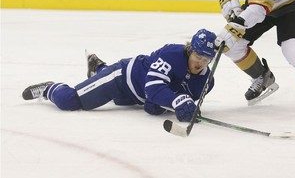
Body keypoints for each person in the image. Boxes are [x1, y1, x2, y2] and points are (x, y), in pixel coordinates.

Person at [21, 29, 217, 123]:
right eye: (197, 56)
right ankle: (49, 88)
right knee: (69, 101)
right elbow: (154, 88)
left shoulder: (206, 82)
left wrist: (174, 106)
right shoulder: (171, 54)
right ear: (189, 50)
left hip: (135, 96)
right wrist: (176, 102)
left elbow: (154, 103)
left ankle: (97, 67)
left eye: (206, 59)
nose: (200, 63)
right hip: (121, 78)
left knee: (119, 99)